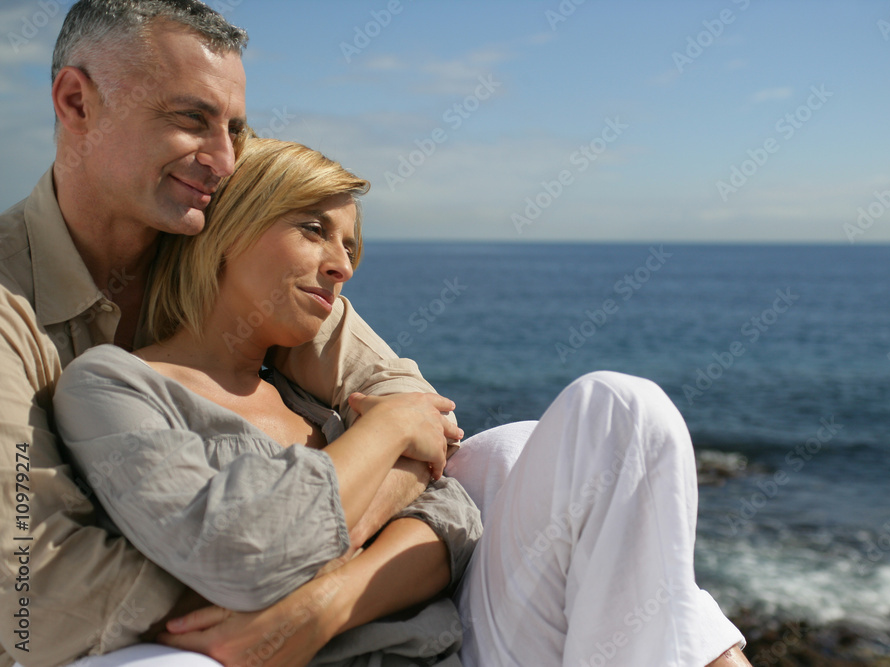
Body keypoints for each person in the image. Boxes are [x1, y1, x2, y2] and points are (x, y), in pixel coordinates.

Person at [54, 136, 753, 666]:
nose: (343, 264)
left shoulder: (308, 390)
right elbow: (242, 550)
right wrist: (386, 434)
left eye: (351, 244)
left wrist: (324, 601)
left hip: (459, 644)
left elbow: (452, 512)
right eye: (313, 229)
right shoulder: (116, 386)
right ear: (231, 228)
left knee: (616, 410)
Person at [0, 2, 520, 666]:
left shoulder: (232, 264)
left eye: (236, 129)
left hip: (329, 624)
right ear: (76, 103)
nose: (223, 160)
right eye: (191, 119)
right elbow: (37, 599)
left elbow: (418, 418)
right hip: (146, 652)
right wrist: (267, 573)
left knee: (521, 447)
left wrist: (330, 591)